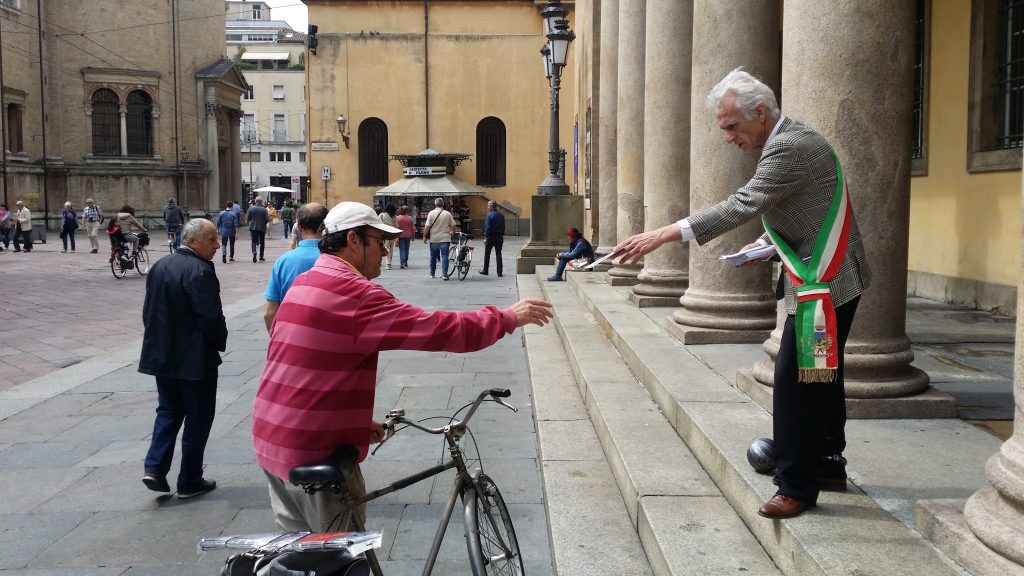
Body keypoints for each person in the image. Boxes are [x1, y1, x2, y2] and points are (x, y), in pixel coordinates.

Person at [614, 68, 871, 520]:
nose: (728, 137)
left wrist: (664, 233)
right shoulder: (788, 140)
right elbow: (811, 209)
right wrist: (769, 247)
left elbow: (741, 204)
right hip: (827, 278)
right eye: (723, 128)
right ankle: (827, 462)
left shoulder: (788, 147)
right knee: (822, 376)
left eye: (732, 126)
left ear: (758, 113)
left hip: (825, 283)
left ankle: (795, 485)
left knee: (797, 380)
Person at [252, 201, 554, 532]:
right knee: (339, 559)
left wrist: (348, 422)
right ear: (354, 241)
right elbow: (439, 330)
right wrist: (507, 317)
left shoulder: (307, 281)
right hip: (312, 450)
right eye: (379, 242)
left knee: (298, 555)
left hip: (273, 437)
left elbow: (299, 363)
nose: (385, 252)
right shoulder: (354, 293)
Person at [139, 219, 226, 499]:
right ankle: (189, 479)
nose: (217, 245)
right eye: (211, 240)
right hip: (194, 359)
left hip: (162, 355)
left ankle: (154, 467)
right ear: (192, 242)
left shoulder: (161, 266)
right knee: (198, 418)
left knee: (168, 411)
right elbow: (210, 316)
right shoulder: (199, 270)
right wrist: (217, 342)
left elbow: (148, 312)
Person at [262, 202, 329, 332]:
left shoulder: (283, 261)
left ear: (299, 227)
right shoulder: (338, 258)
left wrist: (278, 339)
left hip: (291, 336)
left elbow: (269, 313)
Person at [422, 197, 455, 279]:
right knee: (445, 256)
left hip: (434, 239)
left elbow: (427, 227)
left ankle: (432, 273)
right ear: (443, 205)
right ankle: (444, 274)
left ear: (435, 204)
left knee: (433, 256)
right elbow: (453, 225)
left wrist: (424, 236)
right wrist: (452, 232)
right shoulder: (448, 214)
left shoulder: (431, 213)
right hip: (445, 238)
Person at [479, 200, 505, 277]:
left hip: (491, 237)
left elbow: (488, 228)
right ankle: (499, 272)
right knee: (498, 254)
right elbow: (503, 227)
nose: (487, 207)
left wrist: (486, 238)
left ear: (491, 206)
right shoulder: (501, 215)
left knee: (487, 253)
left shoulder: (489, 215)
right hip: (499, 236)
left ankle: (485, 270)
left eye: (488, 206)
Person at [247, 197, 269, 263]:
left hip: (253, 227)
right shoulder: (264, 210)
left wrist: (251, 222)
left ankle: (254, 252)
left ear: (255, 201)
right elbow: (267, 219)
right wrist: (263, 223)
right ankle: (261, 256)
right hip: (262, 227)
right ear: (261, 202)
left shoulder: (251, 209)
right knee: (262, 242)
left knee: (253, 241)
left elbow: (248, 218)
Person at [379, 203, 398, 270]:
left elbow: (378, 223)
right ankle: (389, 262)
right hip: (392, 233)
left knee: (387, 248)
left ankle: (388, 263)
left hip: (385, 233)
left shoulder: (382, 215)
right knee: (391, 248)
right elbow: (397, 226)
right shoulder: (394, 216)